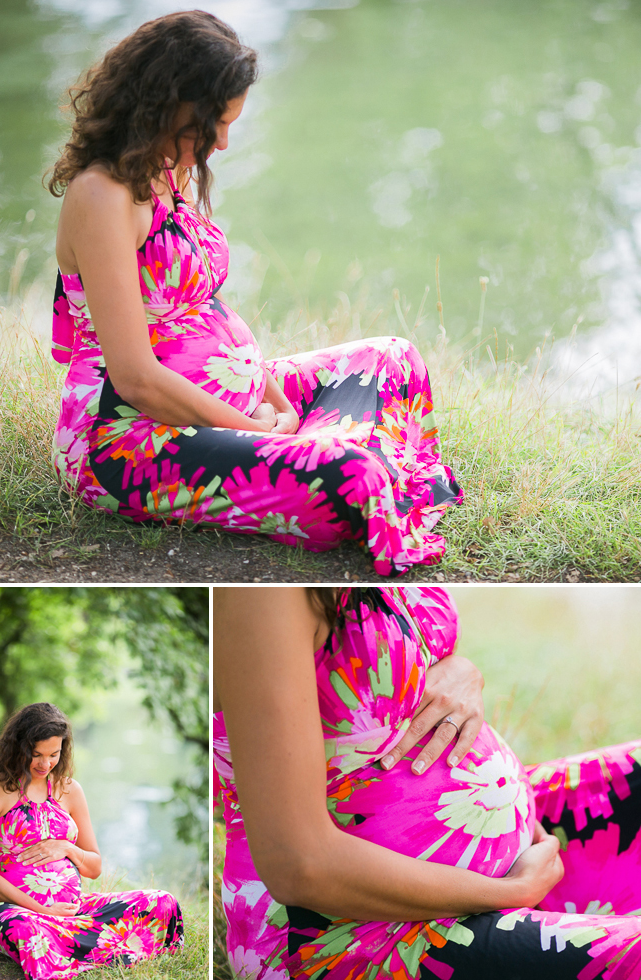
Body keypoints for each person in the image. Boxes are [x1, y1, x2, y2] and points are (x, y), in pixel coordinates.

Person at [213, 583, 641, 980]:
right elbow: (300, 865)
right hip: (350, 929)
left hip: (509, 848)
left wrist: (460, 672)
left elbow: (376, 661)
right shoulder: (257, 599)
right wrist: (508, 892)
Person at [48, 11, 460, 573]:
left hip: (226, 406)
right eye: (210, 124)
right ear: (162, 103)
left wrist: (277, 399)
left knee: (393, 358)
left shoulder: (170, 168)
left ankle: (322, 457)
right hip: (129, 436)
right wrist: (253, 428)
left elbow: (208, 311)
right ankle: (345, 465)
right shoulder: (102, 197)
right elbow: (136, 378)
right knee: (350, 474)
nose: (221, 141)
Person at [0, 701, 183, 980]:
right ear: (18, 747)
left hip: (73, 910)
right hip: (12, 911)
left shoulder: (69, 790)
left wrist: (68, 848)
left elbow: (94, 867)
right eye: (35, 755)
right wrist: (43, 911)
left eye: (53, 754)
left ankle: (73, 940)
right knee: (29, 931)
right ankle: (101, 944)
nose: (45, 764)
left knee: (162, 903)